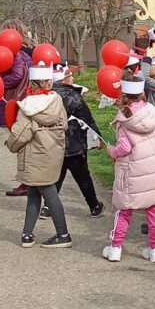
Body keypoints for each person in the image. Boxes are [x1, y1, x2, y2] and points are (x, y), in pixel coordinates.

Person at [104, 74, 155, 263]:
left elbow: (125, 148)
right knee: (154, 211)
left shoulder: (125, 119)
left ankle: (115, 247)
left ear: (123, 95)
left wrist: (112, 151)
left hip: (132, 171)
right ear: (142, 93)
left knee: (124, 210)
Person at [6, 63, 72, 249]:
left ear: (32, 83)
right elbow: (64, 125)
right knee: (34, 192)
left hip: (35, 154)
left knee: (49, 194)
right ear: (49, 82)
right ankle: (27, 234)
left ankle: (63, 234)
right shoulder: (57, 101)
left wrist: (10, 145)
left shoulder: (27, 106)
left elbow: (21, 134)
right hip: (53, 152)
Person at [51, 67, 105, 217]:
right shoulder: (72, 95)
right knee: (82, 176)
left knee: (56, 175)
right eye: (70, 75)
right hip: (74, 143)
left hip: (53, 143)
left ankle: (48, 206)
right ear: (63, 79)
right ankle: (94, 206)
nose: (72, 78)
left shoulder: (47, 94)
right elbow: (86, 117)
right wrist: (98, 137)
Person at [0, 20, 35, 197]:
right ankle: (29, 182)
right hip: (31, 99)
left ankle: (27, 183)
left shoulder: (14, 54)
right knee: (29, 142)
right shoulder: (27, 52)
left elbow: (17, 75)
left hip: (21, 101)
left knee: (22, 142)